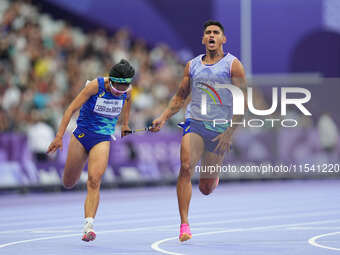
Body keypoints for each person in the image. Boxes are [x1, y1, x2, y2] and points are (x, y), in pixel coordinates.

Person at [151, 20, 247, 242]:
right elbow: (180, 96)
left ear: (223, 39)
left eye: (216, 33)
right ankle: (184, 224)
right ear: (203, 39)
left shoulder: (233, 65)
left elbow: (242, 102)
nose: (211, 35)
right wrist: (163, 117)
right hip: (194, 122)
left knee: (205, 188)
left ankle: (213, 179)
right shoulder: (192, 65)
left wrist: (230, 133)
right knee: (185, 167)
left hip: (219, 128)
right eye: (208, 33)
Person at [47, 59, 135, 242]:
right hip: (81, 135)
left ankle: (89, 226)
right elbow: (70, 109)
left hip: (102, 139)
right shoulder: (96, 86)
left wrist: (125, 124)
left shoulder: (128, 90)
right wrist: (58, 136)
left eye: (124, 86)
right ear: (110, 80)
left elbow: (127, 102)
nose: (120, 90)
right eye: (117, 86)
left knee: (94, 180)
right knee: (68, 182)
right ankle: (72, 182)